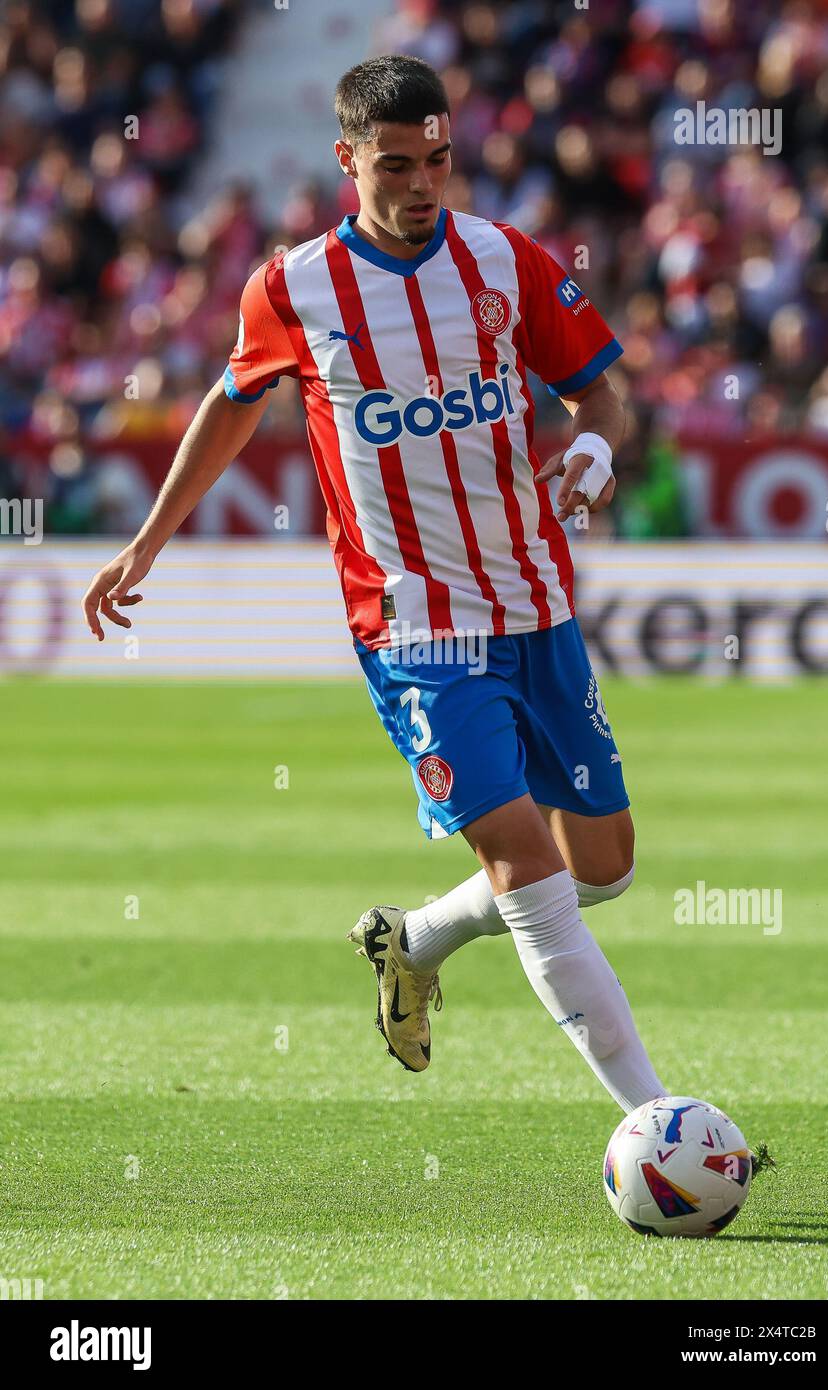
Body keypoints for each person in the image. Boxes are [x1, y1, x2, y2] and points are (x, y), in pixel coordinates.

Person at [82, 55, 666, 1114]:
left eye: (436, 160)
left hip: (535, 601)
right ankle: (660, 1124)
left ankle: (419, 940)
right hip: (415, 631)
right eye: (394, 164)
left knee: (605, 868)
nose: (420, 184)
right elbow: (230, 404)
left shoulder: (504, 260)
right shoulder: (294, 287)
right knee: (537, 889)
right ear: (346, 158)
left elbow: (599, 398)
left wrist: (592, 455)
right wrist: (145, 542)